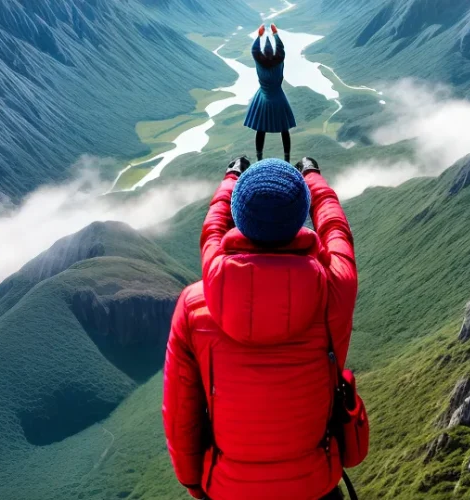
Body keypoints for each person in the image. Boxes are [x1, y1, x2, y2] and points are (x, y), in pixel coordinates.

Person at [162, 157, 358, 500]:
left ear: (239, 216)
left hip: (227, 489)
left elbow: (181, 410)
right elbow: (336, 228)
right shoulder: (334, 290)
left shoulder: (195, 305)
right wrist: (312, 176)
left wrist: (230, 179)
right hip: (314, 486)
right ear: (300, 217)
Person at [244, 23, 296, 163]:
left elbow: (254, 50)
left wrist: (259, 36)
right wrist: (275, 34)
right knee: (284, 129)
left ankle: (259, 156)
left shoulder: (259, 62)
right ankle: (287, 156)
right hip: (278, 97)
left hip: (263, 98)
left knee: (261, 129)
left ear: (263, 54)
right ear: (273, 52)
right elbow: (281, 49)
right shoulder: (279, 61)